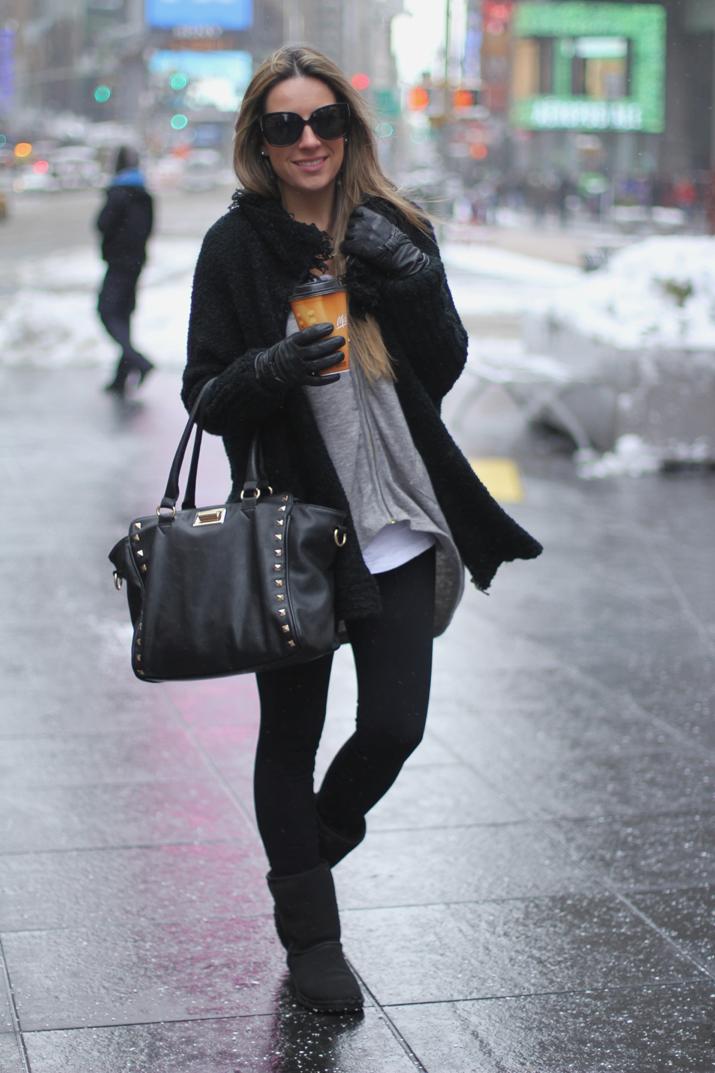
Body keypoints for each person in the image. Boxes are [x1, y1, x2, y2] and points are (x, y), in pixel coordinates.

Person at [182, 45, 542, 1015]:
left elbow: (446, 364)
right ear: (259, 139)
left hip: (400, 525)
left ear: (350, 130)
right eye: (285, 125)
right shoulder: (236, 246)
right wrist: (275, 367)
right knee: (288, 736)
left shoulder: (392, 226)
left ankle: (310, 843)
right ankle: (313, 937)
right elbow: (204, 395)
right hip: (293, 536)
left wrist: (413, 280)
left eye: (323, 121)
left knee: (393, 724)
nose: (308, 141)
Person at [96, 146, 154, 394]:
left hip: (118, 262)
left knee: (107, 311)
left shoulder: (118, 193)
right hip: (136, 261)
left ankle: (138, 360)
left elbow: (101, 224)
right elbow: (149, 228)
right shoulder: (144, 194)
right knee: (124, 314)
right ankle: (121, 376)